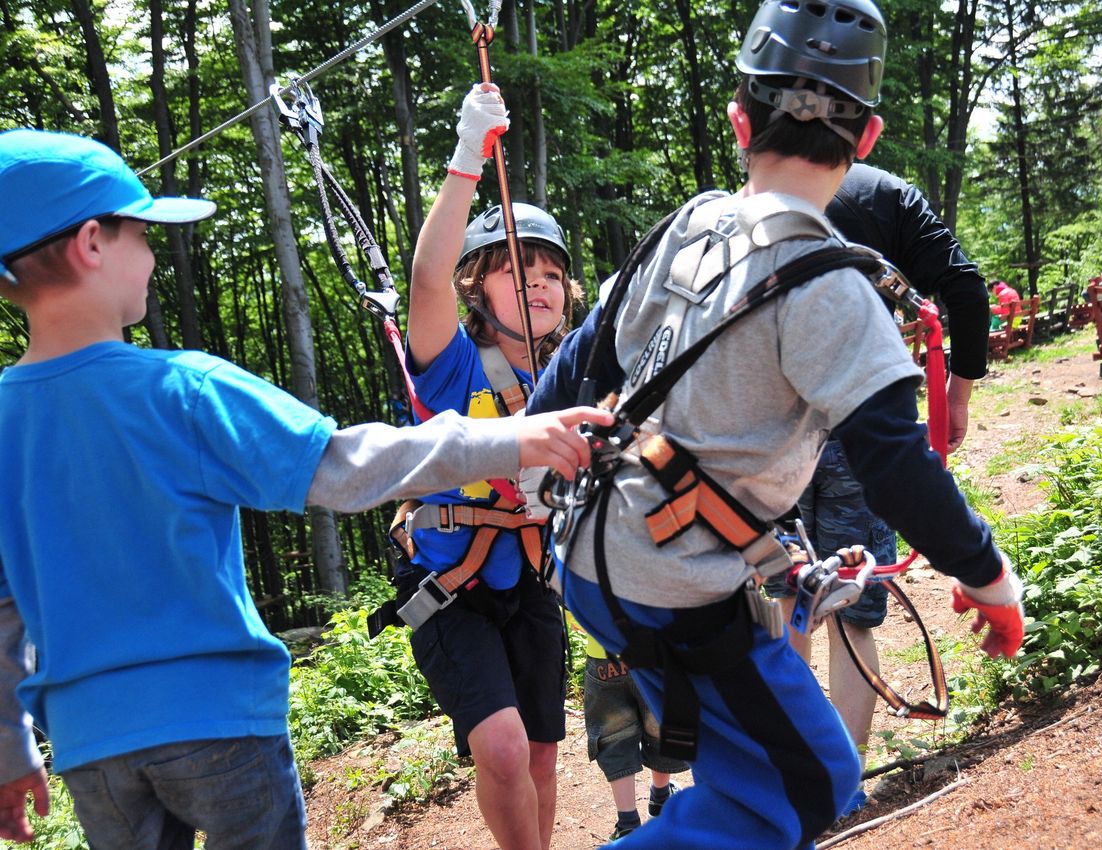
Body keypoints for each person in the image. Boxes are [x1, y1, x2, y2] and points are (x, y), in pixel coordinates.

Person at [0, 128, 611, 848]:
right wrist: (512, 441)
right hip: (220, 716)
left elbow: (5, 606)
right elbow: (339, 466)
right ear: (91, 244)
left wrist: (9, 746)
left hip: (91, 740)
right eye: (142, 234)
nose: (154, 255)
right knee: (506, 749)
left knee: (536, 750)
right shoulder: (185, 390)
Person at [526, 1, 1025, 846]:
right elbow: (896, 466)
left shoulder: (685, 226)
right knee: (806, 785)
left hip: (590, 554)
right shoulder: (833, 288)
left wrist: (522, 459)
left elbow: (584, 359)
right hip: (669, 582)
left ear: (738, 122)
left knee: (762, 780)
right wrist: (990, 579)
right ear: (867, 139)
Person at [392, 82, 583, 850]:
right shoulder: (450, 364)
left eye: (550, 274)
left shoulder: (570, 372)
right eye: (514, 270)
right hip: (450, 587)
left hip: (530, 579)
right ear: (477, 287)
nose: (537, 283)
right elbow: (426, 278)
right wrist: (469, 156)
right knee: (501, 747)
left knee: (540, 754)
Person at [762, 161, 992, 782]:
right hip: (863, 414)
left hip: (773, 425)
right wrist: (957, 398)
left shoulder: (754, 197)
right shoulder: (882, 192)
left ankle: (791, 773)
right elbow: (966, 289)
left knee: (789, 594)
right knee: (851, 597)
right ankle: (845, 782)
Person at [581, 630, 687, 840]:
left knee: (615, 737)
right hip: (655, 652)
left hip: (604, 656)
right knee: (660, 727)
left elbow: (575, 614)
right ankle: (661, 798)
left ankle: (627, 824)